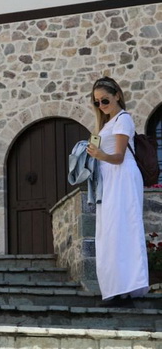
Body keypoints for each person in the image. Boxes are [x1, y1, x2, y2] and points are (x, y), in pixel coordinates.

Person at [85, 76, 149, 307]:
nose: (102, 105)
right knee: (109, 233)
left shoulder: (123, 120)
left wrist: (100, 155)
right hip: (108, 180)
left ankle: (127, 288)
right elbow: (98, 147)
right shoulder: (105, 124)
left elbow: (119, 157)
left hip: (122, 177)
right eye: (97, 102)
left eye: (105, 100)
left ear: (117, 96)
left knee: (123, 230)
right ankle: (116, 289)